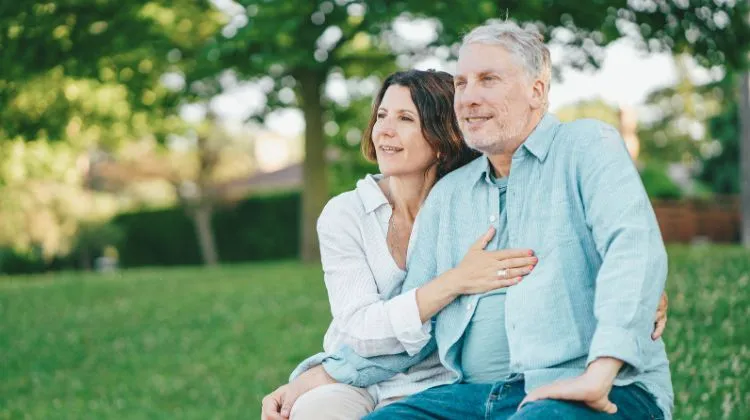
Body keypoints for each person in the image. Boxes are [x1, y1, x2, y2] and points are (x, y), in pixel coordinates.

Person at [264, 21, 673, 420]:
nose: (470, 97)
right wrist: (315, 376)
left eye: (488, 79)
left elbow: (632, 252)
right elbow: (422, 320)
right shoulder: (451, 196)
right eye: (462, 83)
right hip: (476, 396)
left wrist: (603, 369)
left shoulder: (587, 147)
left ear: (537, 90)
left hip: (596, 384)